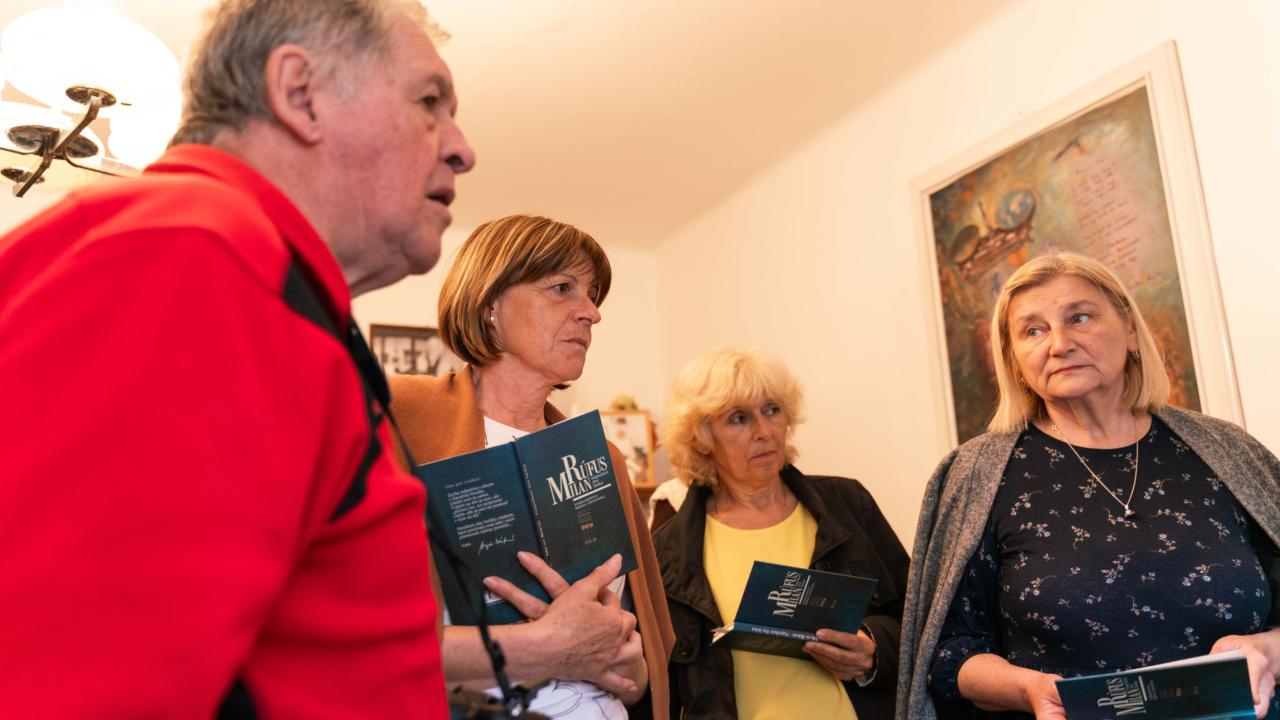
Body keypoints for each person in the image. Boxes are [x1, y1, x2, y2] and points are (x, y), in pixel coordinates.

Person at [0, 1, 475, 717]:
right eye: (429, 102)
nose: (462, 148)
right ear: (301, 94)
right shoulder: (195, 257)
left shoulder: (235, 267)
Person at [898, 253, 1280, 719]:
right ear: (1014, 360)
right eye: (1033, 331)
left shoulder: (1228, 451)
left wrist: (1267, 650)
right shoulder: (977, 474)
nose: (1059, 344)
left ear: (1132, 331)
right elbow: (947, 652)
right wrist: (1028, 688)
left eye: (1079, 317)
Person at [387, 214, 675, 720]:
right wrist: (551, 645)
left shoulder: (602, 457)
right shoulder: (398, 416)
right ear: (489, 305)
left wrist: (622, 659)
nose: (592, 313)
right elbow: (368, 645)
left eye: (593, 295)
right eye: (562, 288)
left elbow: (641, 681)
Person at [653, 349, 909, 720]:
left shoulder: (849, 504)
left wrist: (873, 648)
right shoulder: (669, 551)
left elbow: (917, 617)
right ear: (702, 437)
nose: (764, 431)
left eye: (772, 410)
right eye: (739, 418)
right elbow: (664, 690)